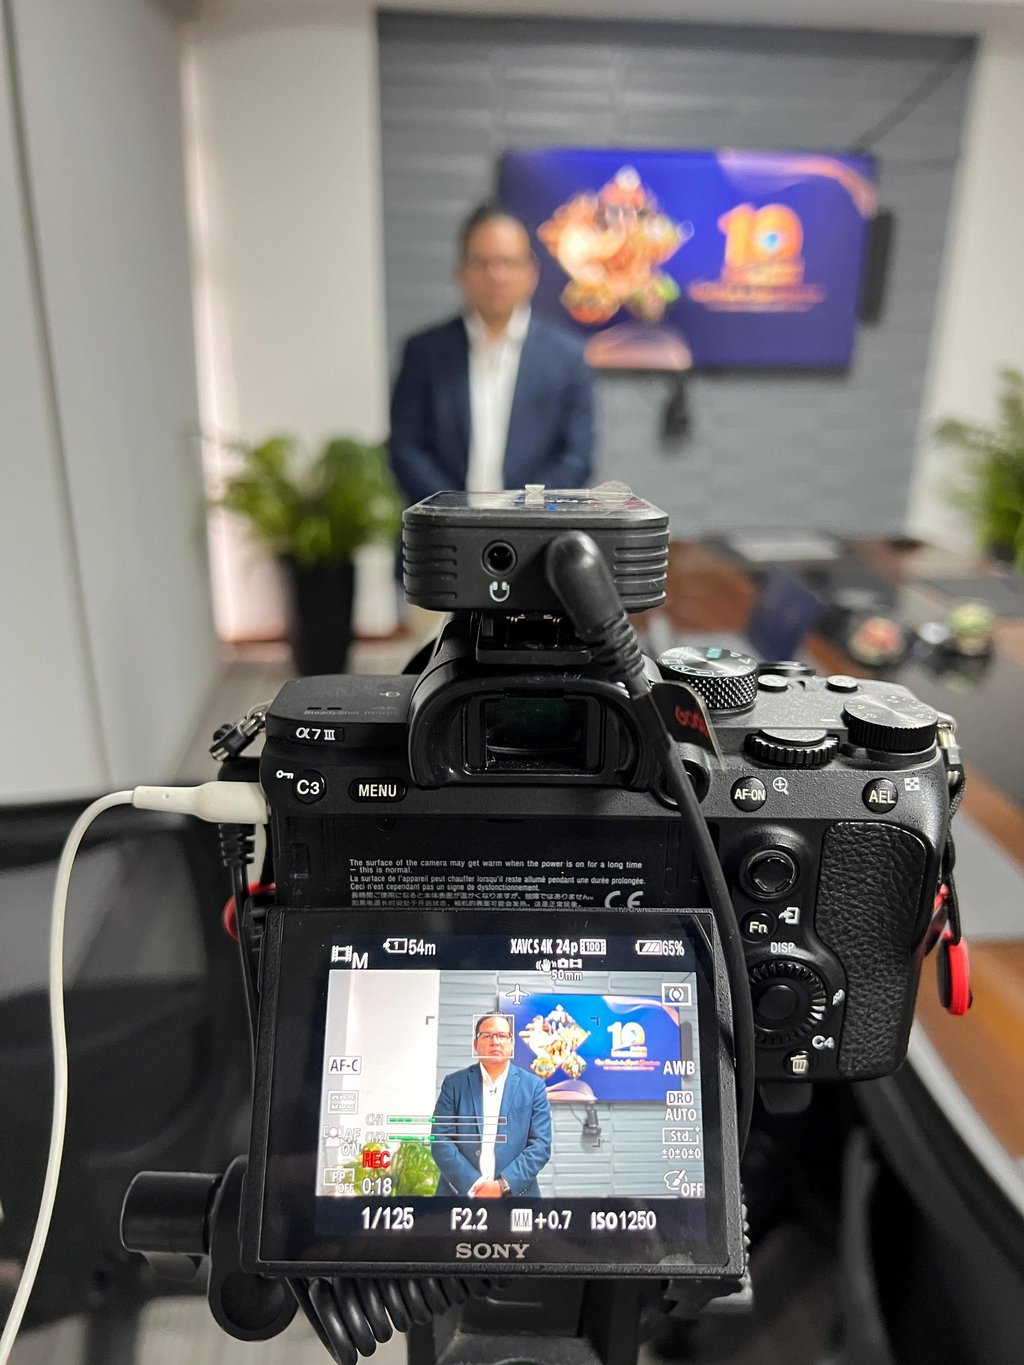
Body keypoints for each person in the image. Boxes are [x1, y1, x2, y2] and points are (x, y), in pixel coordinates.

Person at [389, 205, 595, 505]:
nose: (496, 275)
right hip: (442, 525)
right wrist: (458, 512)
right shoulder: (424, 352)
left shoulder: (567, 357)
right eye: (482, 262)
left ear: (531, 272)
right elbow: (406, 449)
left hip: (533, 526)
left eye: (508, 262)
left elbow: (576, 458)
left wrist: (519, 511)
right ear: (461, 272)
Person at [431, 1013, 552, 1198]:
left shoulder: (534, 1086)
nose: (495, 1042)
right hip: (459, 1197)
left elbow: (540, 1145)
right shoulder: (454, 1084)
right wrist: (474, 1185)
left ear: (512, 1043)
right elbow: (440, 1139)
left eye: (502, 1036)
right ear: (475, 1044)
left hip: (516, 1198)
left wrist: (502, 1185)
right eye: (486, 1036)